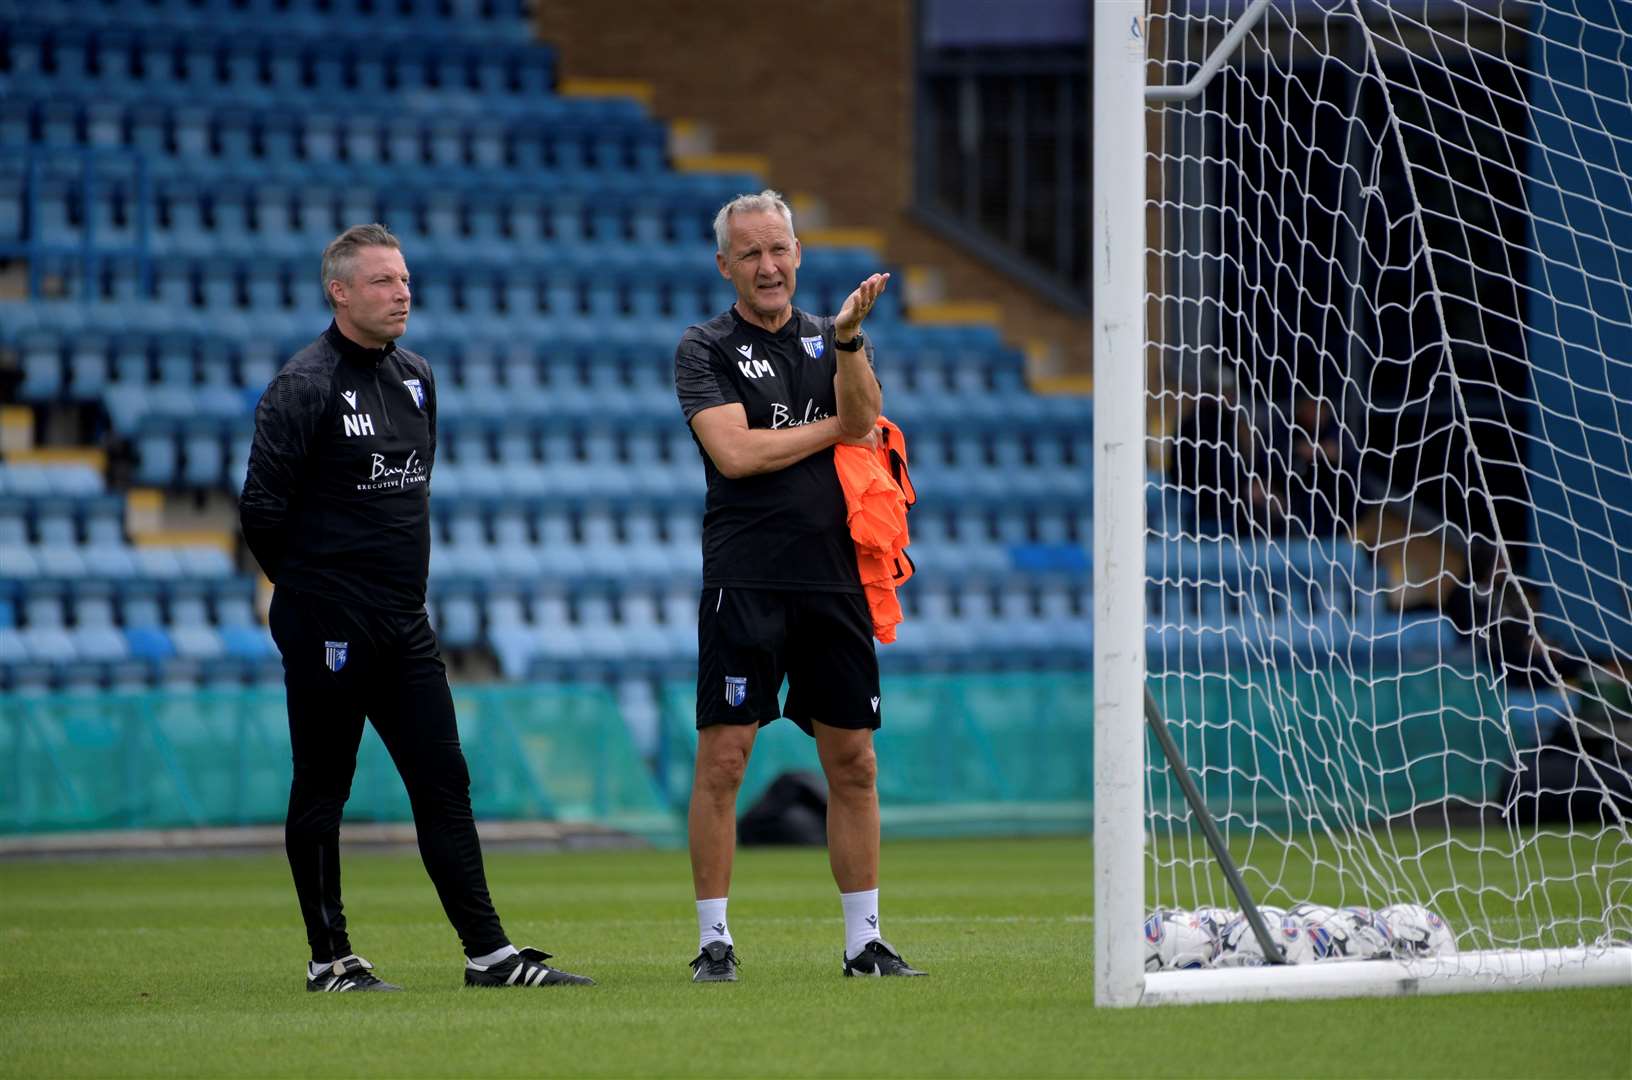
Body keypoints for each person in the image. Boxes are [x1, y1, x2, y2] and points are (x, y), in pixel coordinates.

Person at [240, 224, 593, 992]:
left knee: (443, 781)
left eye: (404, 279)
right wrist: (316, 594)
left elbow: (412, 487)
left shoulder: (418, 377)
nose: (402, 292)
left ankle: (489, 954)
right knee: (323, 785)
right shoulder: (302, 385)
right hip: (328, 622)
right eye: (382, 282)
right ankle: (328, 959)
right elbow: (261, 510)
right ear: (339, 292)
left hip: (405, 622)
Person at [672, 190, 926, 982]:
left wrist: (850, 342)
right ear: (725, 267)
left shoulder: (832, 337)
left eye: (778, 249)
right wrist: (833, 431)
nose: (767, 265)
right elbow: (737, 456)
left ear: (798, 253)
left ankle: (864, 944)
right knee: (725, 759)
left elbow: (870, 415)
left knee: (853, 763)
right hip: (745, 578)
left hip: (835, 578)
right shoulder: (702, 348)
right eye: (749, 253)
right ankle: (715, 942)